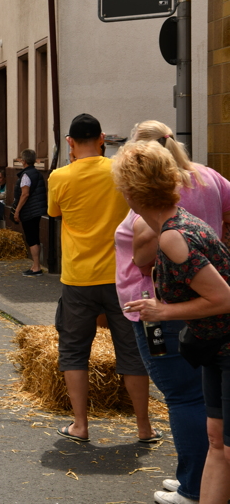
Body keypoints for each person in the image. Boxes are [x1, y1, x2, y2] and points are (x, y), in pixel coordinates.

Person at [115, 121, 230, 504]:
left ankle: (192, 487)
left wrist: (162, 311)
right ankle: (195, 486)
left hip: (219, 342)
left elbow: (223, 297)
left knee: (192, 408)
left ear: (132, 191)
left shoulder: (170, 234)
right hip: (214, 342)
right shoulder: (177, 219)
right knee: (217, 440)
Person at [48, 114, 158, 445]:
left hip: (79, 277)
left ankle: (80, 426)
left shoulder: (59, 176)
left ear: (70, 142)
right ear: (102, 138)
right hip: (122, 278)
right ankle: (144, 428)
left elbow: (55, 213)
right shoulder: (119, 172)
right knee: (132, 352)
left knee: (74, 351)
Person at [13, 149, 47, 275]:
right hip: (36, 210)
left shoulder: (26, 175)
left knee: (31, 238)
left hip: (29, 211)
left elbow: (24, 194)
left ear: (24, 161)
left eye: (22, 159)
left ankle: (36, 267)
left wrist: (17, 211)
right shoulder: (37, 173)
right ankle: (35, 265)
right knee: (34, 237)